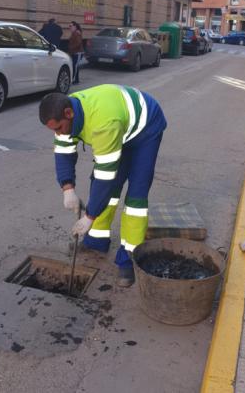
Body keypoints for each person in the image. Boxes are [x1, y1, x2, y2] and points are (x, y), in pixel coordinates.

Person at [39, 85, 167, 287]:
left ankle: (129, 258)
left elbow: (105, 177)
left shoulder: (103, 125)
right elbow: (63, 153)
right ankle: (97, 241)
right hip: (121, 123)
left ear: (69, 113)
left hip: (146, 128)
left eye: (59, 128)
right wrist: (67, 188)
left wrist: (89, 216)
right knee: (108, 188)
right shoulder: (65, 111)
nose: (58, 133)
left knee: (136, 196)